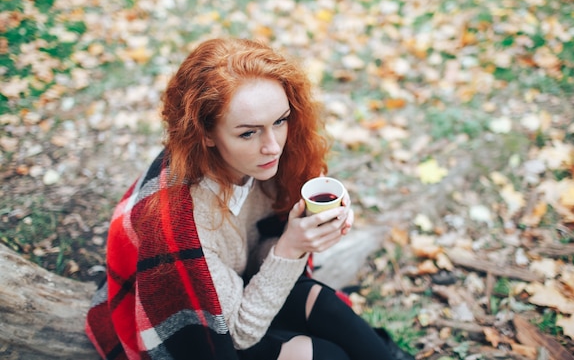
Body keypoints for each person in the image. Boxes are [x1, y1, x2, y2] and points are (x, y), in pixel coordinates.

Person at [85, 38, 412, 360]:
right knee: (325, 354)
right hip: (203, 330)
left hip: (238, 288)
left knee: (328, 309)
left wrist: (306, 233)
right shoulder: (178, 224)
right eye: (248, 132)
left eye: (280, 121)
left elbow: (256, 256)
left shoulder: (264, 163)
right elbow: (237, 334)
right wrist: (291, 248)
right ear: (206, 134)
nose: (273, 146)